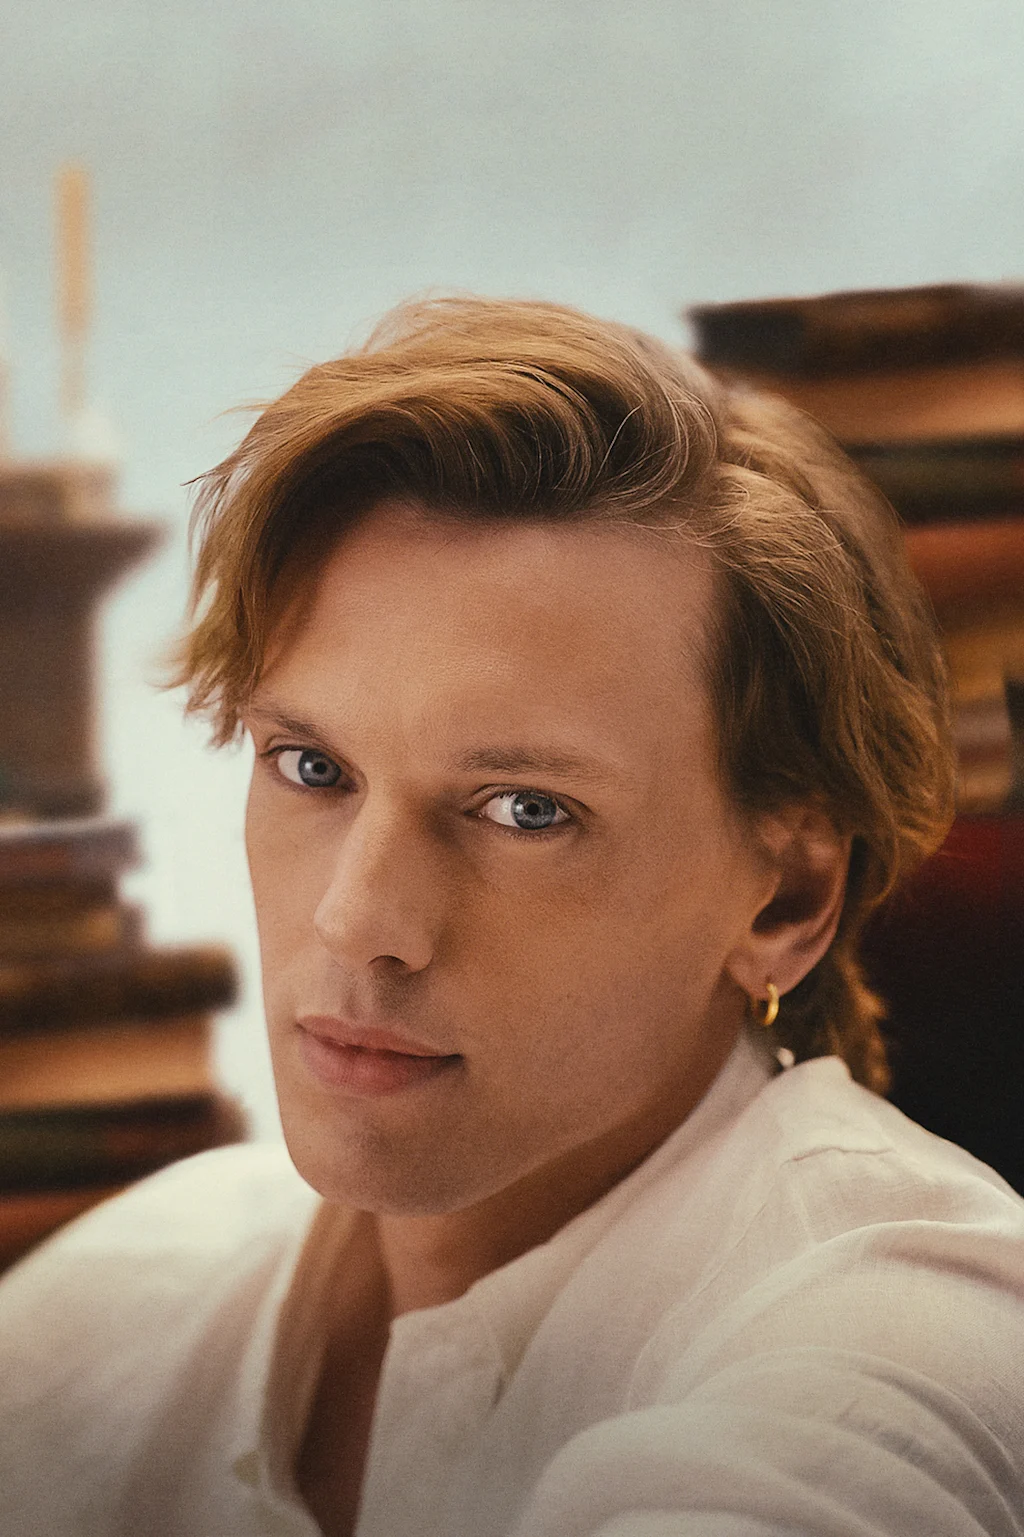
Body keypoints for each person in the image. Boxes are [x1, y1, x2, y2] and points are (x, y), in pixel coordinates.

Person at [1, 295, 1022, 1537]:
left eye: (526, 809)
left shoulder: (907, 1329)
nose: (357, 920)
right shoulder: (120, 1304)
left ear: (787, 895)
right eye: (312, 767)